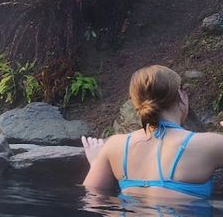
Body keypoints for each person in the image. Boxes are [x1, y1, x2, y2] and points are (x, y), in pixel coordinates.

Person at [82, 64, 223, 198]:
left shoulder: (115, 146)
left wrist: (95, 163)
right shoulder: (209, 144)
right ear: (181, 95)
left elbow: (92, 199)